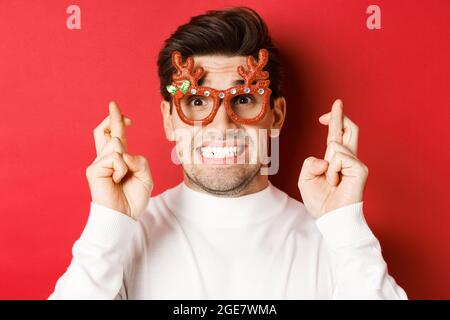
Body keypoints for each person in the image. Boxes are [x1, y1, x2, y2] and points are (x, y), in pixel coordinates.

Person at [49, 7, 407, 300]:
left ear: (276, 115)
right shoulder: (126, 237)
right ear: (170, 120)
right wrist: (107, 223)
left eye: (245, 99)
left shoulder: (332, 239)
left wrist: (344, 223)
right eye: (197, 101)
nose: (221, 127)